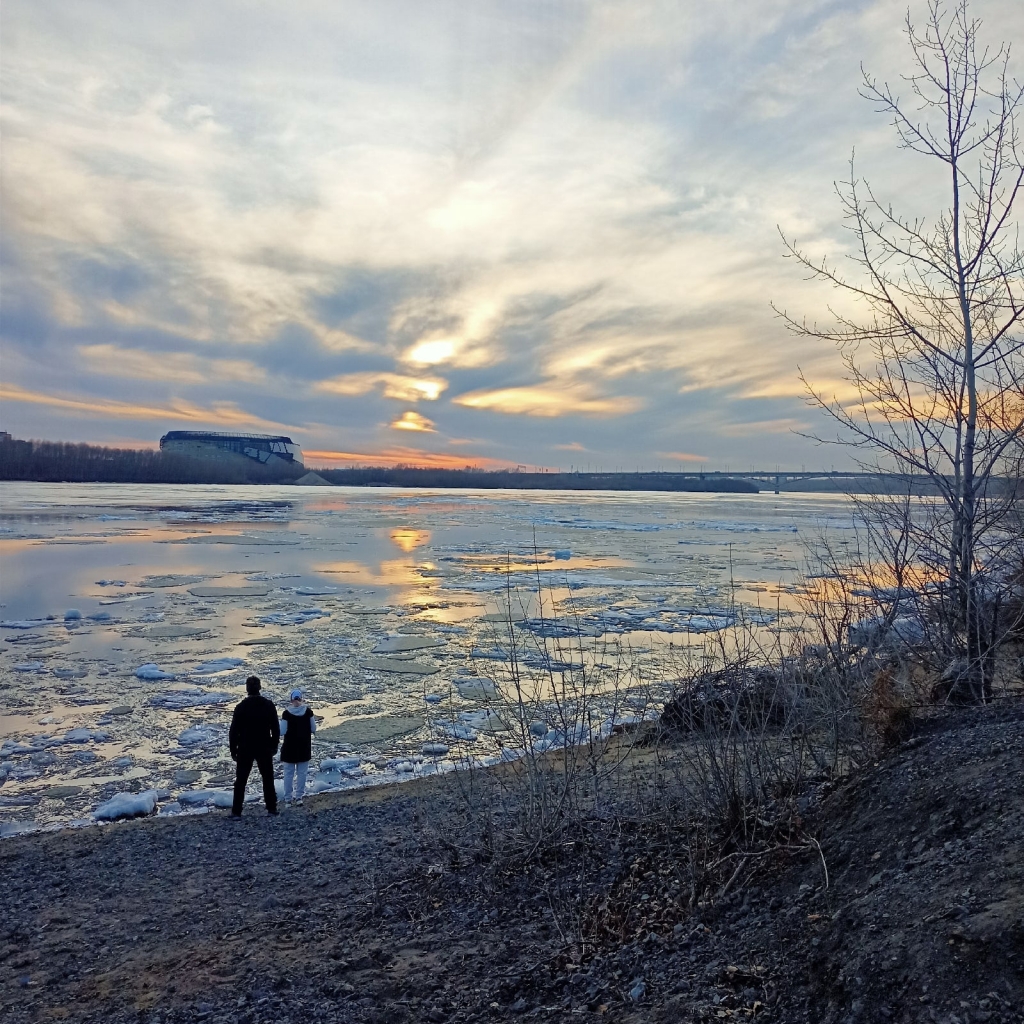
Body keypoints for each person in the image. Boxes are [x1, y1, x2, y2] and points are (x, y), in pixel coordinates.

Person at [229, 675, 280, 817]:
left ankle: (236, 811)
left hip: (245, 747)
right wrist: (274, 744)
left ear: (247, 689)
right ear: (260, 688)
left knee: (241, 780)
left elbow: (233, 731)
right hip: (264, 746)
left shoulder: (240, 707)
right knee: (268, 778)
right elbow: (275, 728)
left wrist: (233, 750)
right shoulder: (268, 705)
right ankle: (271, 808)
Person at [280, 687, 316, 806]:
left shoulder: (286, 713)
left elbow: (282, 731)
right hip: (304, 747)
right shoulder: (308, 712)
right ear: (301, 698)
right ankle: (299, 797)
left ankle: (288, 799)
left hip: (289, 748)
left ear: (291, 700)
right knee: (302, 773)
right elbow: (314, 728)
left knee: (288, 774)